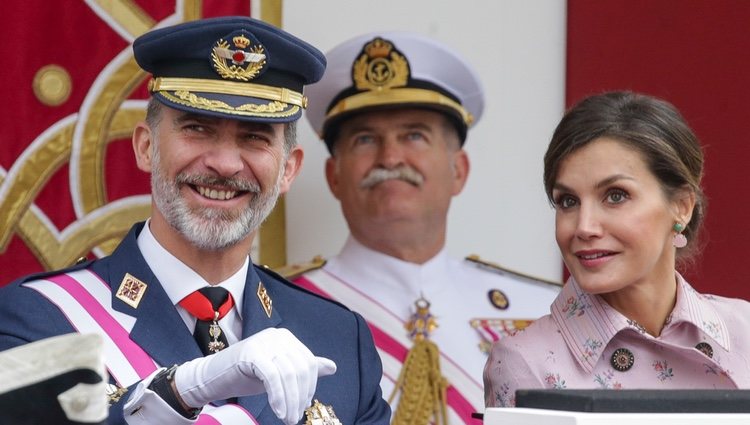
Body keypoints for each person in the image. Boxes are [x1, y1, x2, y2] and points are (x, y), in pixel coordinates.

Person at [0, 16, 390, 425]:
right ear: (146, 147)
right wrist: (183, 389)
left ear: (288, 169)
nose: (224, 164)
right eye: (197, 129)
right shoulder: (38, 319)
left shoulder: (340, 341)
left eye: (254, 137)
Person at [281, 31, 561, 424]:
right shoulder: (276, 307)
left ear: (458, 171)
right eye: (365, 139)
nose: (391, 156)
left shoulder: (545, 311)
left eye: (414, 135)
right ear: (334, 176)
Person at [484, 91, 750, 408]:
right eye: (568, 201)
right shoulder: (527, 363)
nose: (584, 226)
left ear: (681, 206)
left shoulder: (744, 330)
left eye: (615, 196)